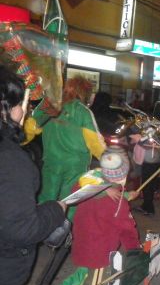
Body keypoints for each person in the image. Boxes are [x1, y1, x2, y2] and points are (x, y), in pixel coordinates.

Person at [0, 66, 66, 285]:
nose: (24, 112)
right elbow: (20, 226)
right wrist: (57, 209)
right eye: (19, 105)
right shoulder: (10, 160)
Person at [47, 148, 141, 285]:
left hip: (83, 241)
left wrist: (128, 196)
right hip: (100, 250)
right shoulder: (116, 201)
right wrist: (134, 248)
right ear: (122, 174)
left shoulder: (88, 188)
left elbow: (99, 192)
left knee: (91, 275)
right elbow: (126, 228)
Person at [24, 76, 106, 220]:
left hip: (51, 161)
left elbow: (30, 127)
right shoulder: (83, 112)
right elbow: (96, 143)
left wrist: (15, 141)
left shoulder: (49, 104)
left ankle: (42, 230)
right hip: (75, 166)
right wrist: (112, 163)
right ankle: (64, 233)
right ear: (85, 93)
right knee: (70, 200)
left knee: (47, 197)